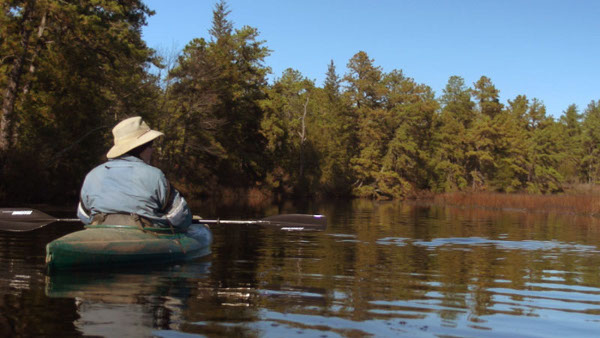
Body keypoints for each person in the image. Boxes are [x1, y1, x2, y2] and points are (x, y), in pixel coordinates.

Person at [77, 116, 192, 229]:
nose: (152, 150)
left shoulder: (93, 174)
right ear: (141, 148)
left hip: (100, 239)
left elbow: (84, 215)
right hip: (143, 241)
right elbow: (180, 217)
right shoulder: (155, 175)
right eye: (150, 145)